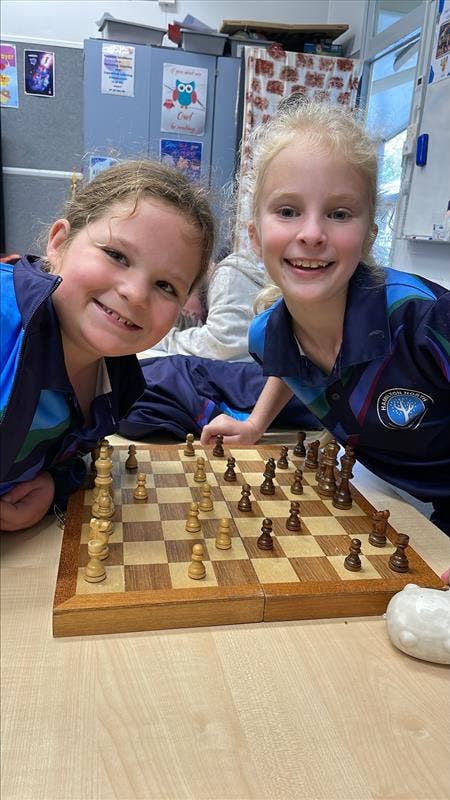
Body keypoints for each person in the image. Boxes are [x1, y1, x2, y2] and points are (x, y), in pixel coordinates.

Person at [200, 99, 450, 535]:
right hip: (400, 497)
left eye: (338, 214)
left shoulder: (423, 319)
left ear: (369, 236)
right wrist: (256, 423)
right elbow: (286, 364)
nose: (311, 233)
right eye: (288, 211)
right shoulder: (264, 335)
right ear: (256, 237)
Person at [0, 159, 214, 531]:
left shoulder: (116, 381)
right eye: (117, 255)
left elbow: (67, 454)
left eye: (166, 286)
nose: (134, 294)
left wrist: (53, 484)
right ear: (59, 242)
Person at [139, 249, 266, 362]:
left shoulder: (228, 275)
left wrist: (158, 338)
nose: (183, 311)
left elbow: (221, 345)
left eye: (172, 289)